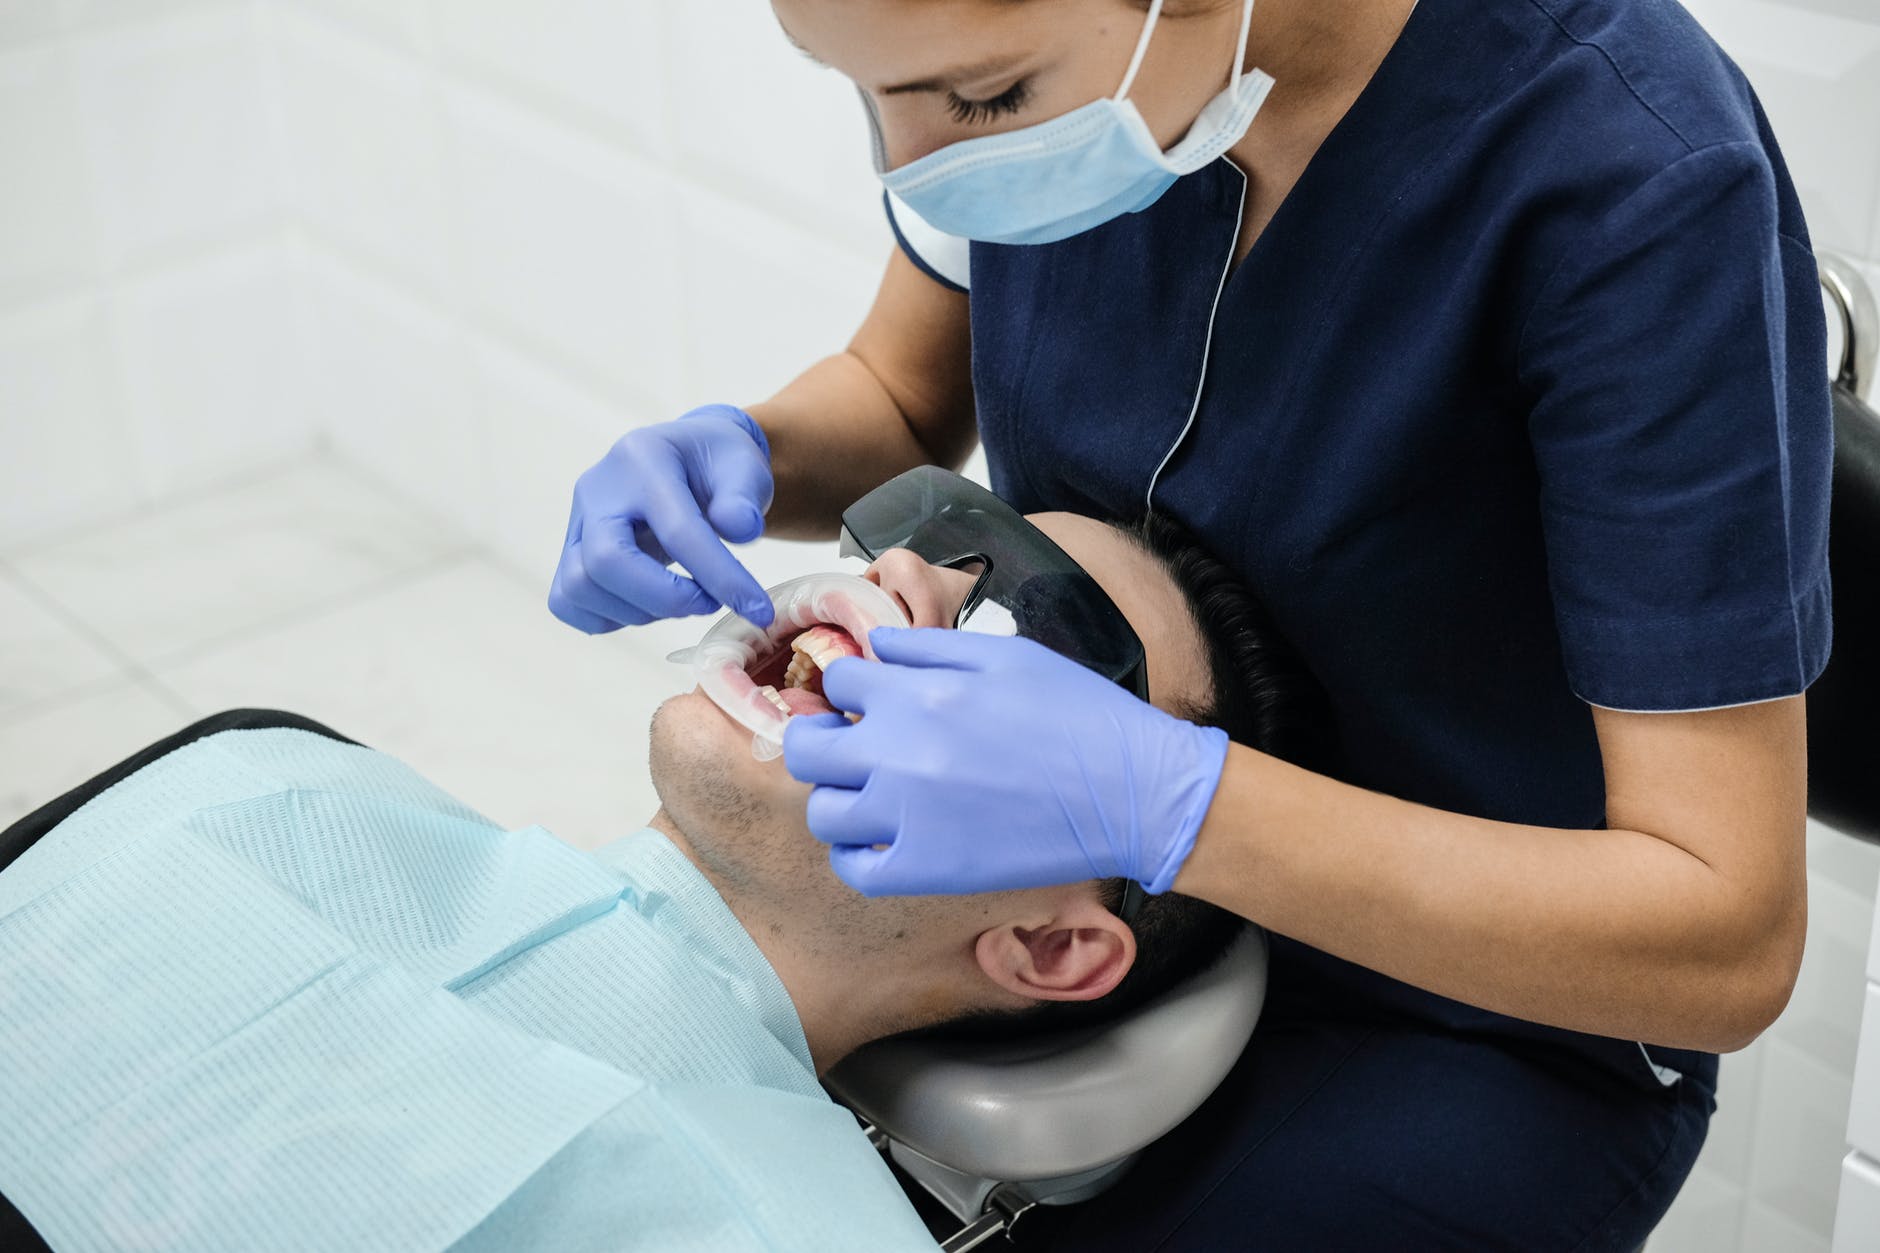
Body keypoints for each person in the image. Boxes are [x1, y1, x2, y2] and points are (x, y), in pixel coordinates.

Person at [548, 0, 1832, 1246]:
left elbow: (1721, 941)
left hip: (1478, 1011)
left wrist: (1163, 798)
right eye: (862, 91)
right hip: (1065, 890)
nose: (912, 162)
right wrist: (749, 455)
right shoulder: (1083, 97)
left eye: (984, 96)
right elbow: (896, 393)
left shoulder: (1627, 177)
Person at [0, 504, 1315, 1252]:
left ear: (1047, 944)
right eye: (939, 527)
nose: (898, 569)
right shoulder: (263, 771)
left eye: (1027, 636)